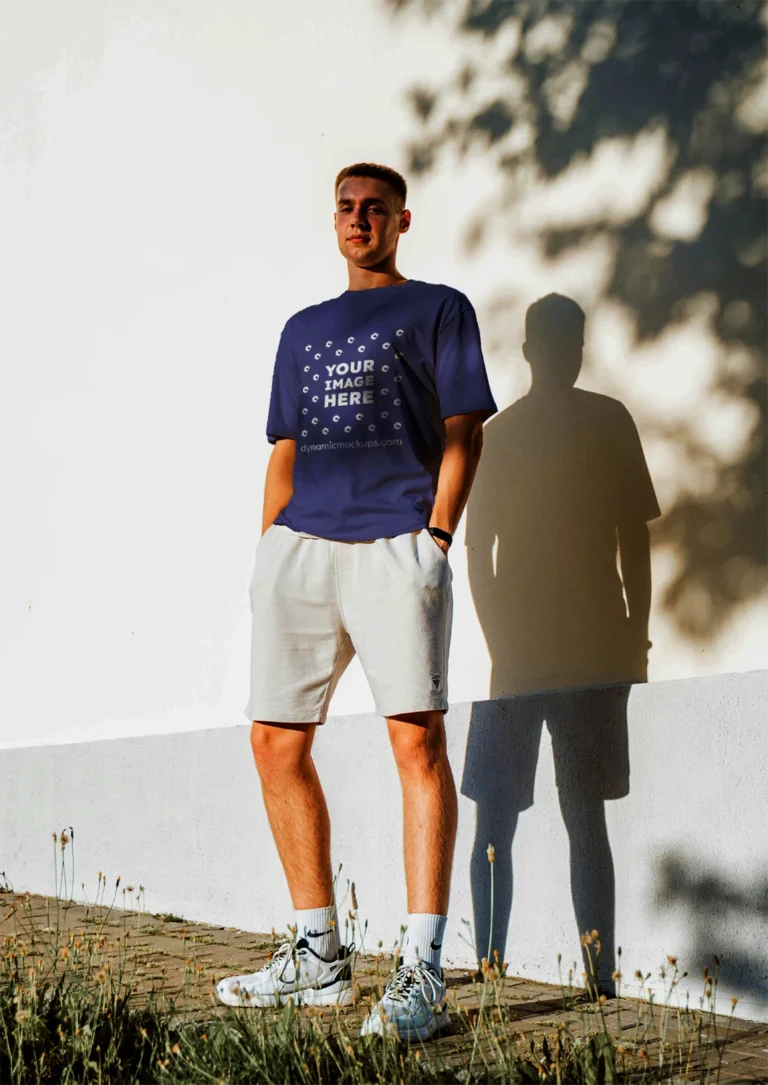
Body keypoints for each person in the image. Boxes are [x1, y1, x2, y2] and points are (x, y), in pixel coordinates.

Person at [216, 162, 497, 1040]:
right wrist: (270, 548)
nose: (359, 218)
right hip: (301, 550)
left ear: (402, 220)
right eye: (346, 206)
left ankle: (422, 972)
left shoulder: (439, 308)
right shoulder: (303, 328)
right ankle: (318, 955)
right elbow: (286, 445)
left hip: (393, 545)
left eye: (375, 207)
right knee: (274, 739)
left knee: (416, 741)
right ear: (334, 219)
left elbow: (463, 428)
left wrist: (438, 537)